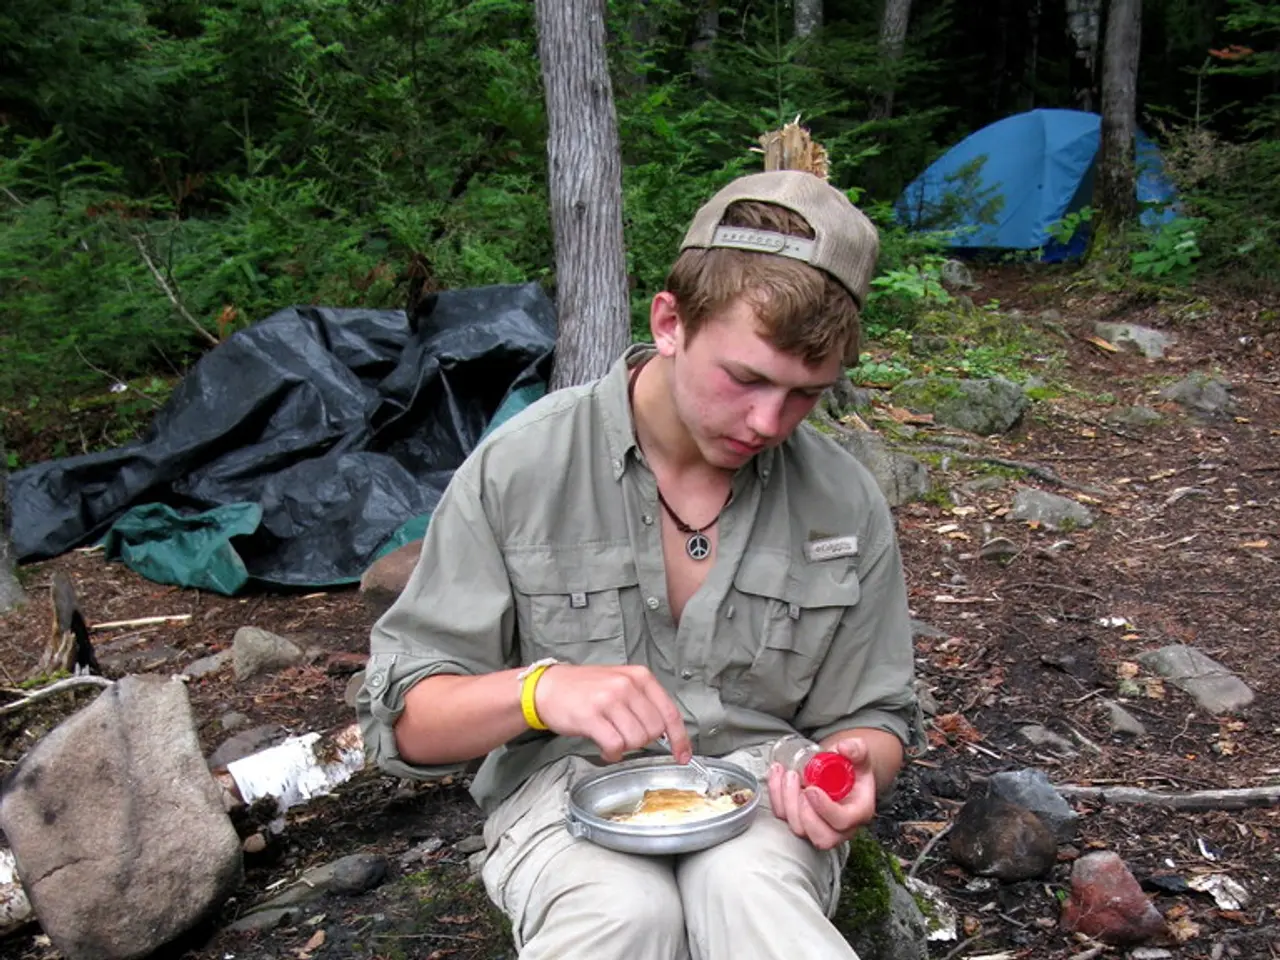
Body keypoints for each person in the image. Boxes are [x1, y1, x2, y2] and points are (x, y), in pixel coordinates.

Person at [355, 168, 924, 959]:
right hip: (566, 800)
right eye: (747, 378)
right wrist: (538, 692)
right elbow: (406, 724)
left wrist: (859, 766)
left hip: (766, 799)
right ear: (669, 322)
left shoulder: (842, 499)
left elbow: (876, 714)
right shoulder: (521, 469)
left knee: (747, 887)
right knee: (623, 911)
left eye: (806, 394)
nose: (768, 421)